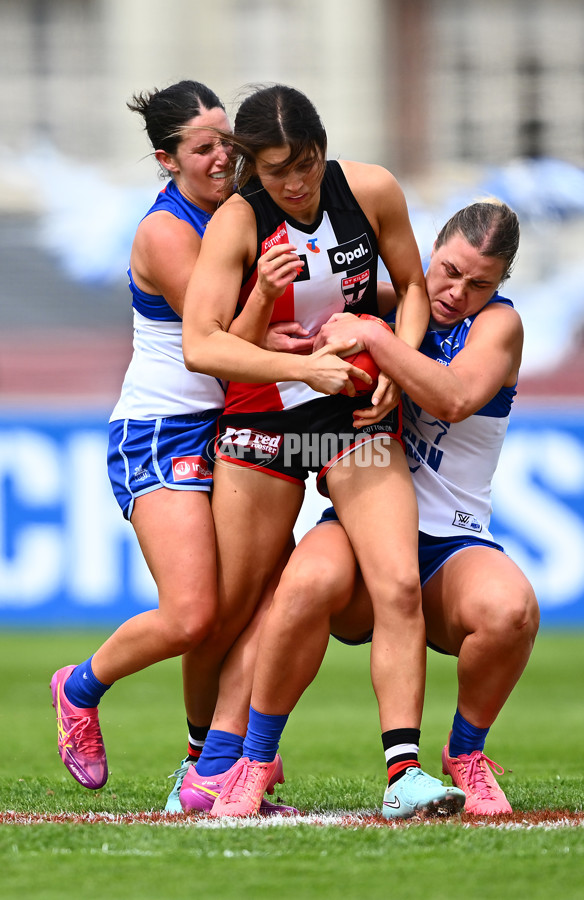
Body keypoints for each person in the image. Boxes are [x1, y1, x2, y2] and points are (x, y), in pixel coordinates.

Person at [179, 83, 466, 820]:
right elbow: (200, 344)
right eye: (276, 170)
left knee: (398, 582)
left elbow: (411, 287)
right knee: (229, 610)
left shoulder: (369, 190)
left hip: (350, 418)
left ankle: (404, 772)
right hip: (265, 420)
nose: (297, 183)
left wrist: (397, 367)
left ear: (323, 148)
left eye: (305, 162)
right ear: (251, 168)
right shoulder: (239, 223)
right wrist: (301, 368)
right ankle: (205, 766)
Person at [218, 199, 539, 817]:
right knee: (303, 583)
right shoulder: (387, 300)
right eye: (447, 270)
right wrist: (272, 338)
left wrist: (371, 337)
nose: (456, 292)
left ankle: (465, 755)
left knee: (512, 611)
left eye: (480, 283)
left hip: (449, 541)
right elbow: (269, 344)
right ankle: (253, 761)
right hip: (358, 516)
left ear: (500, 283)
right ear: (432, 251)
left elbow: (451, 398)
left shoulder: (499, 326)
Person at [48, 80, 307, 814]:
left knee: (255, 603)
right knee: (194, 613)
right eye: (204, 146)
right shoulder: (165, 231)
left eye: (228, 139)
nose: (224, 155)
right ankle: (79, 687)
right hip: (162, 433)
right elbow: (217, 336)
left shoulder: (239, 205)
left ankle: (208, 769)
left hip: (229, 427)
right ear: (168, 160)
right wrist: (279, 317)